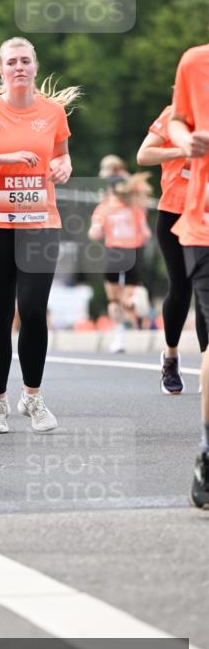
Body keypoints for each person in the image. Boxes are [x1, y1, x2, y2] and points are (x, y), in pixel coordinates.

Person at [0, 35, 77, 434]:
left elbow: (61, 153)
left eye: (25, 60)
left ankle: (33, 397)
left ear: (35, 67)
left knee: (34, 309)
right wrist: (4, 158)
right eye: (12, 62)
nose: (19, 67)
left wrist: (64, 166)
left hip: (40, 224)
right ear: (1, 69)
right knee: (0, 313)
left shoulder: (52, 112)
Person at [136, 104, 207, 392]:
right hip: (174, 213)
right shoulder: (174, 114)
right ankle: (171, 356)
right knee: (181, 289)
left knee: (205, 291)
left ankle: (206, 365)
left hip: (205, 214)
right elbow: (144, 155)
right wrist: (182, 151)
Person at [167, 41, 209, 509]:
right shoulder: (195, 62)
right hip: (204, 221)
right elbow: (177, 119)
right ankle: (208, 451)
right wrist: (186, 140)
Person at [88, 172, 152, 354]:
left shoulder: (104, 208)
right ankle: (133, 302)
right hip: (133, 253)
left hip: (114, 253)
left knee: (114, 300)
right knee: (127, 296)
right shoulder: (135, 208)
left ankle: (119, 337)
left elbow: (94, 234)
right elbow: (146, 234)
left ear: (110, 189)